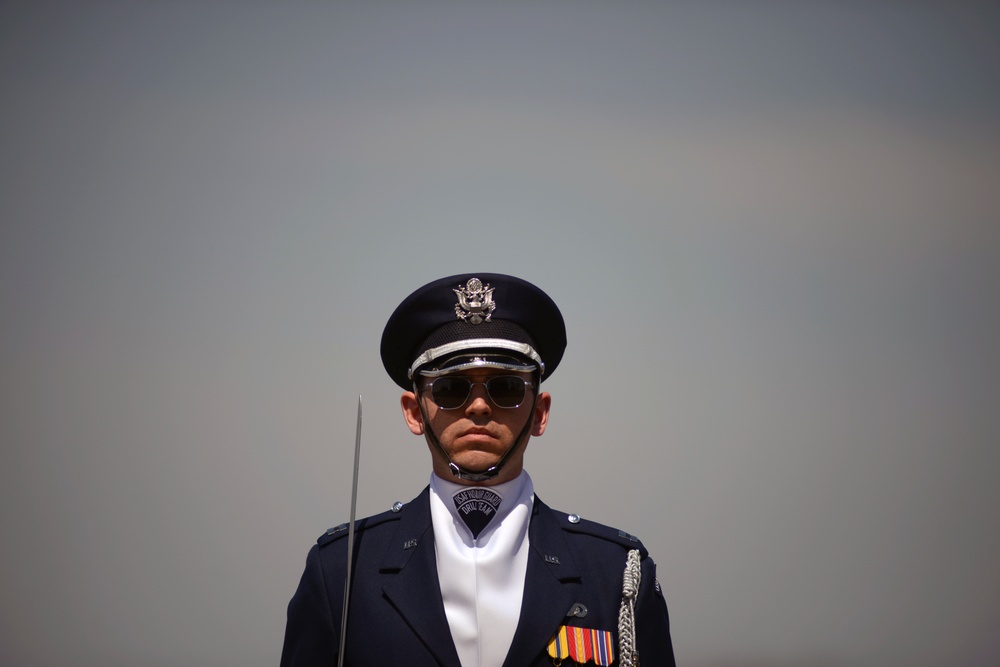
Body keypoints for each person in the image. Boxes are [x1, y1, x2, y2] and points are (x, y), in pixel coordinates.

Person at [280, 273, 676, 667]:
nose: (479, 407)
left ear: (539, 413)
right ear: (415, 412)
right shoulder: (341, 573)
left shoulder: (616, 574)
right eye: (450, 388)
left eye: (506, 387)